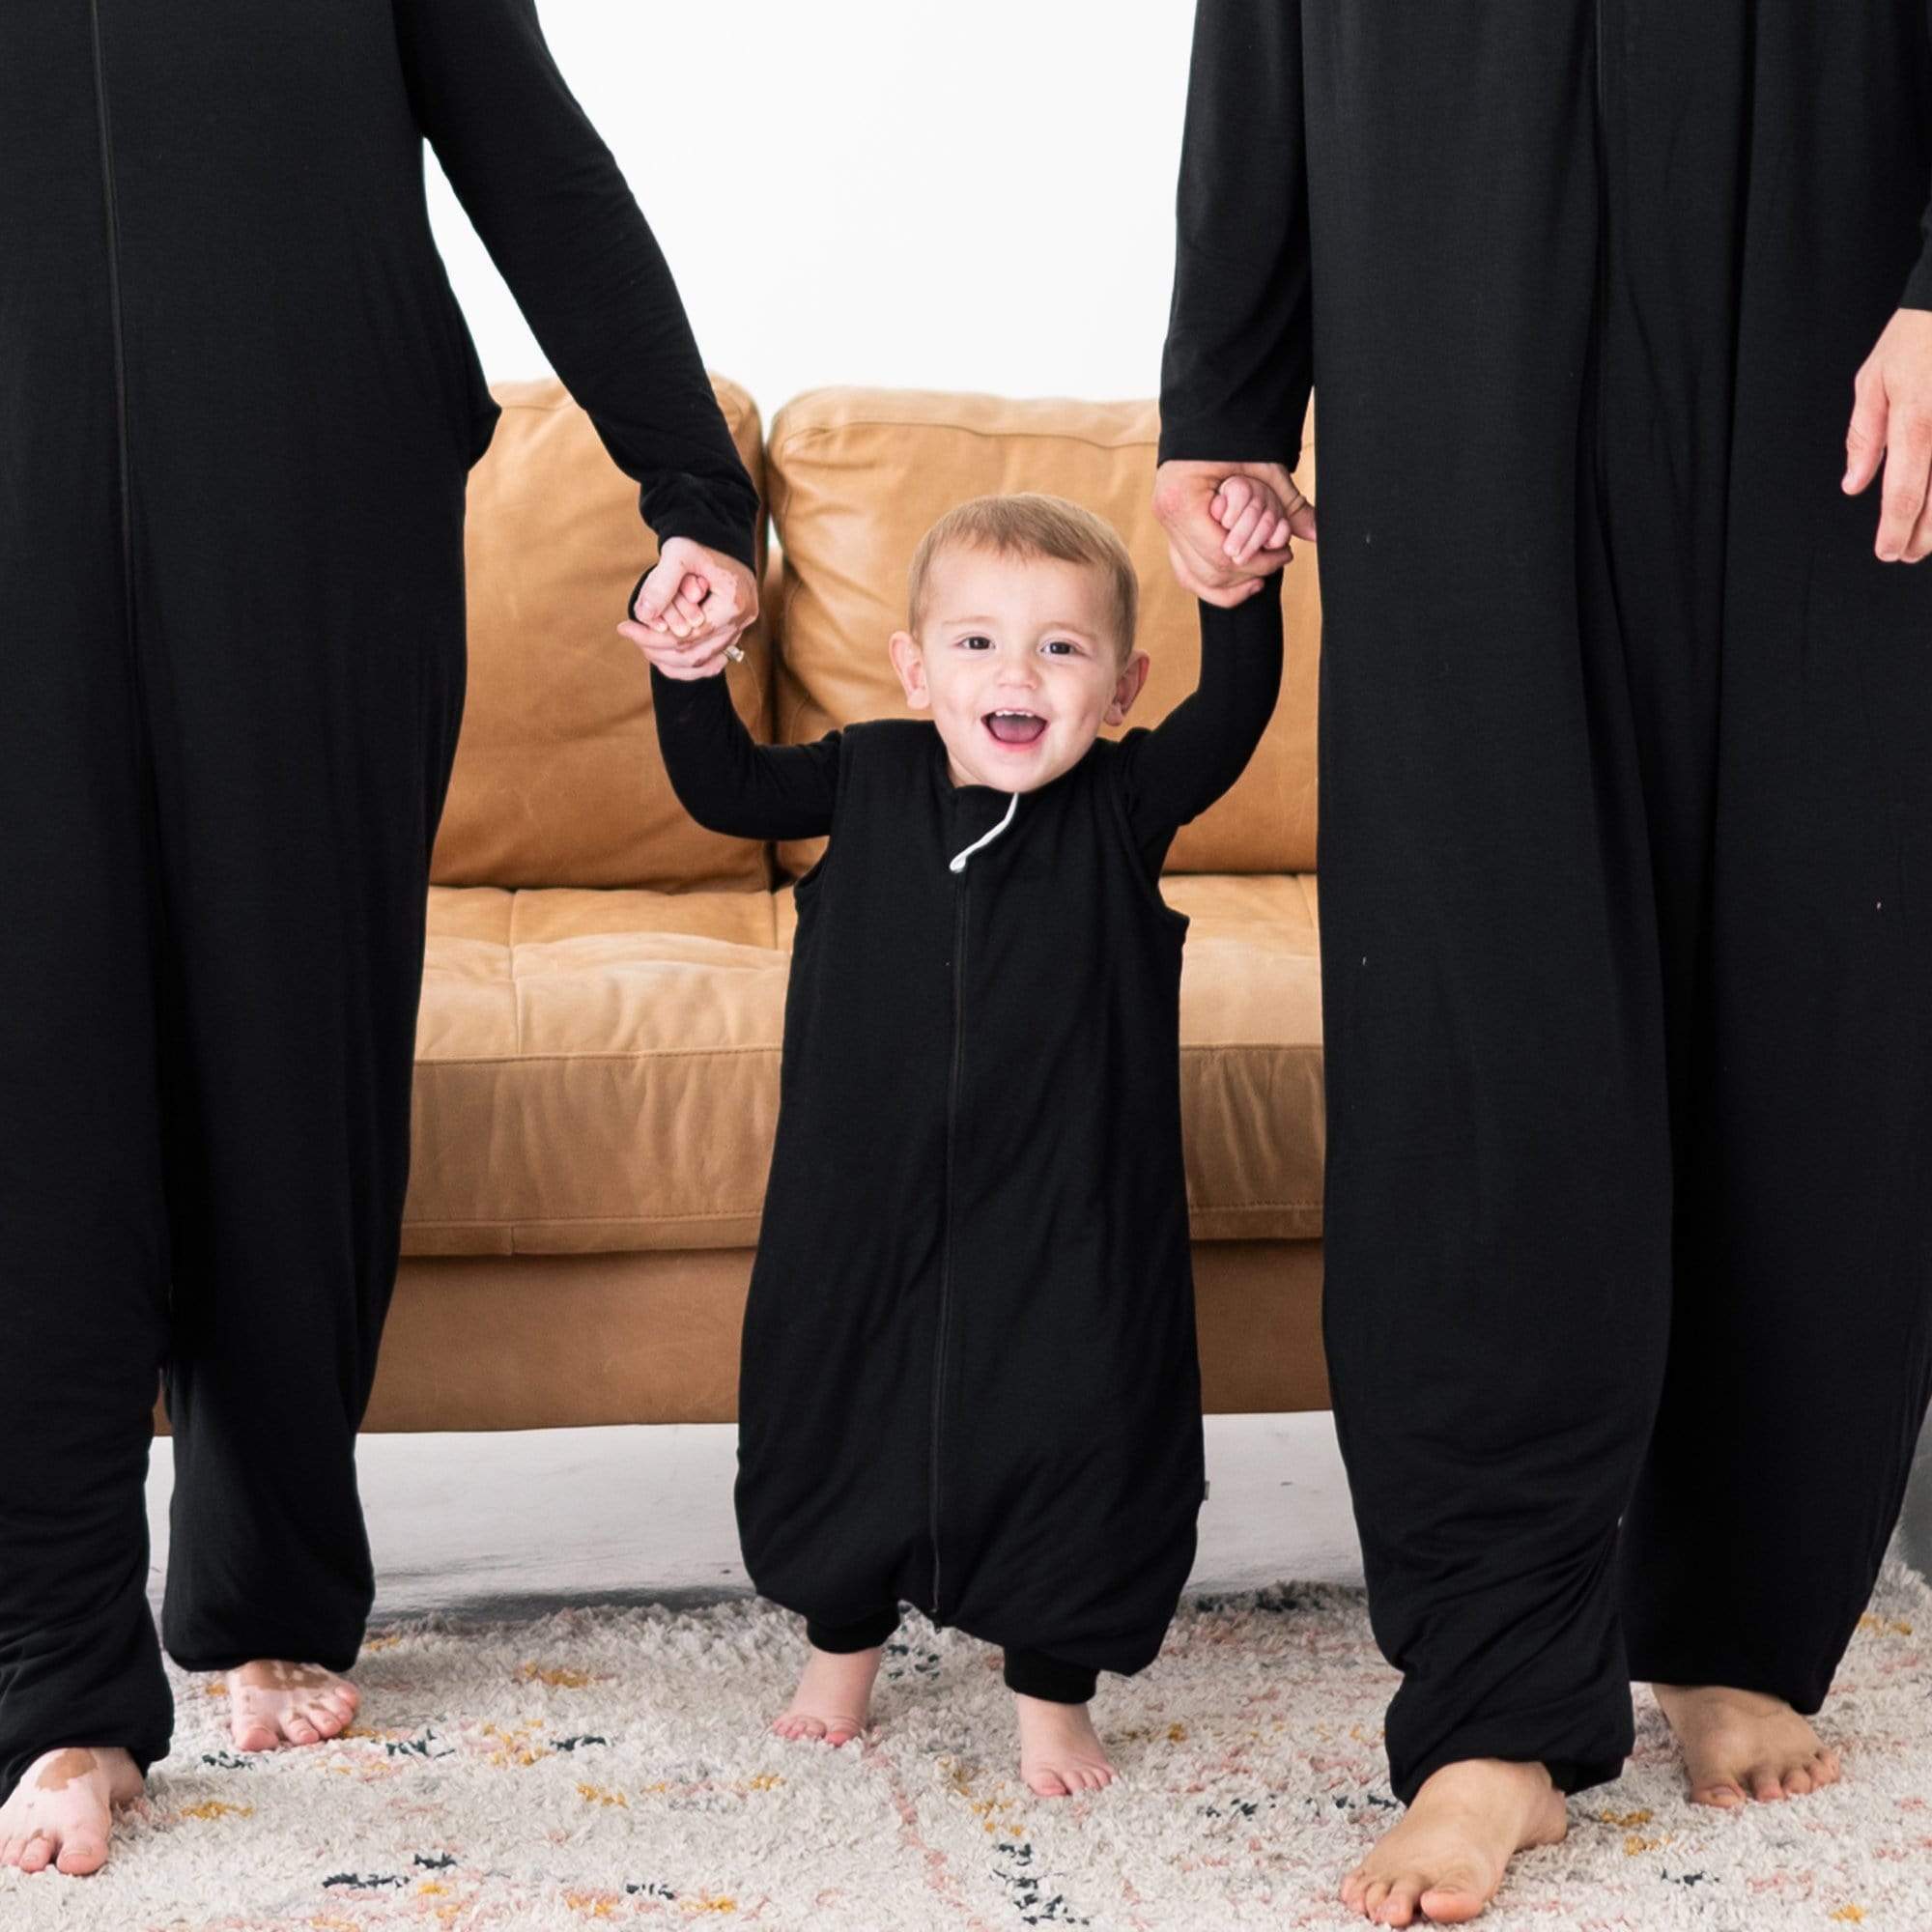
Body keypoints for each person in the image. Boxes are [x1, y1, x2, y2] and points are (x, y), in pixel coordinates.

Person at [1155, 2, 1932, 1923]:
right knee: (1477, 1023)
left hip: (1829, 298)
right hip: (1448, 284)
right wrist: (1224, 384)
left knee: (1811, 993)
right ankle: (1494, 1700)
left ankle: (1739, 1616)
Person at [0, 0, 755, 1878]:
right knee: (38, 1090)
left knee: (293, 1063)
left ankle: (266, 1587)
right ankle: (61, 1685)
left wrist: (696, 484)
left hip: (318, 521)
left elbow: (531, 153)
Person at [632, 493, 1282, 1797]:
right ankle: (841, 1651)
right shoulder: (864, 776)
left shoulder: (1123, 801)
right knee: (840, 1413)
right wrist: (689, 672)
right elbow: (723, 788)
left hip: (1066, 1212)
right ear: (916, 669)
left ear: (1120, 689)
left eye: (1061, 647)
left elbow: (1230, 719)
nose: (1017, 675)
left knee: (1075, 1429)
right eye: (977, 643)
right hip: (860, 1203)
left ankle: (1052, 1692)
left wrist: (1238, 595)